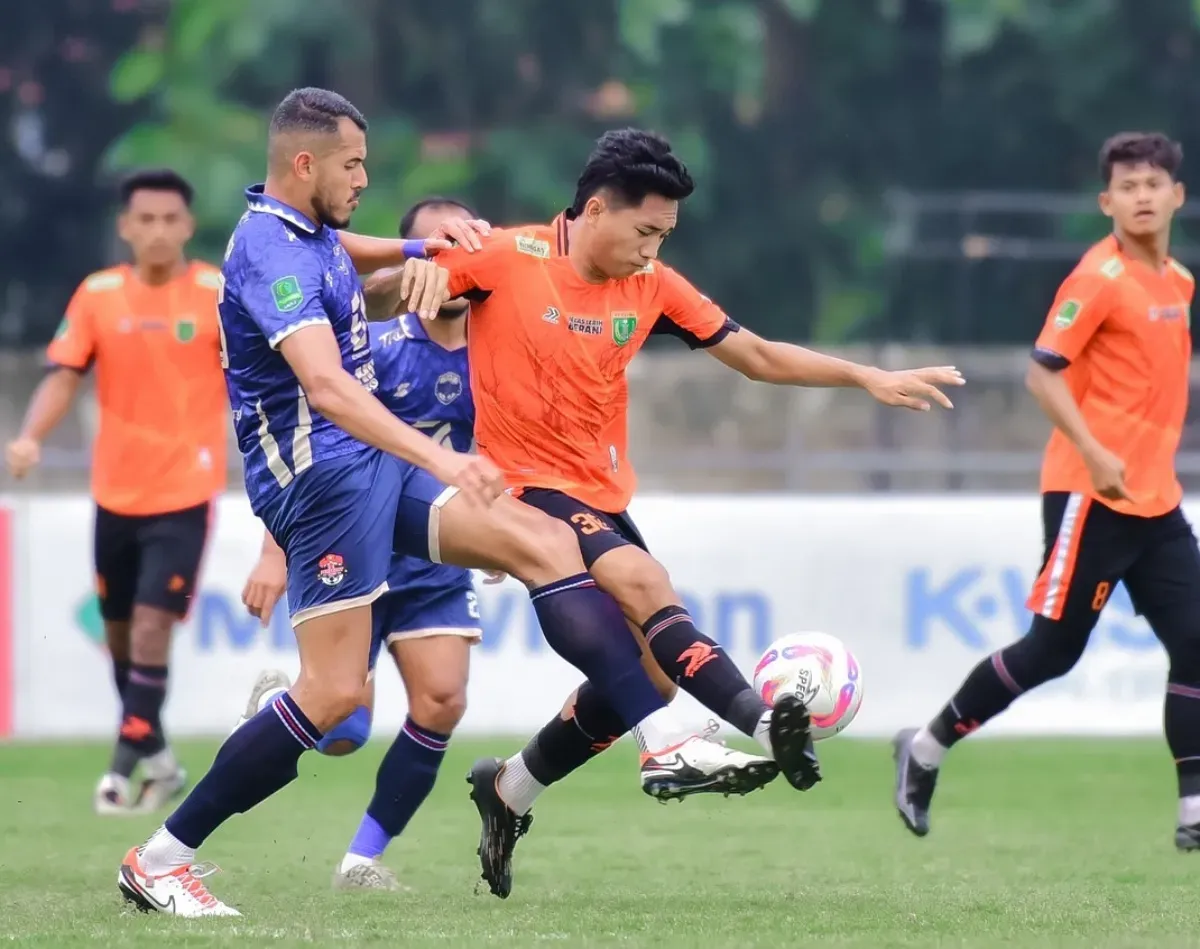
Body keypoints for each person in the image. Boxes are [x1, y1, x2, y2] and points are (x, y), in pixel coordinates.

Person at [116, 88, 767, 918]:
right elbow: (324, 385)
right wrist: (440, 457)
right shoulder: (270, 253)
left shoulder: (301, 231)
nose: (364, 176)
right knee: (332, 698)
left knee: (544, 543)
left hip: (367, 466)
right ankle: (162, 857)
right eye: (352, 163)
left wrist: (424, 241)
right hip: (324, 480)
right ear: (304, 163)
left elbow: (343, 247)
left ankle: (664, 736)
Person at [404, 127, 965, 898]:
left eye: (665, 236)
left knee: (650, 677)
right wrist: (419, 274)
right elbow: (383, 289)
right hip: (517, 485)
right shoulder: (505, 256)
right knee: (642, 578)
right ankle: (753, 722)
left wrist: (866, 376)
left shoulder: (654, 285)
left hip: (596, 492)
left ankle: (510, 790)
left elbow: (757, 355)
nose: (651, 250)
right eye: (643, 232)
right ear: (595, 209)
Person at [892, 131, 1200, 852]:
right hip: (1089, 495)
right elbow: (1042, 371)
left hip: (1153, 499)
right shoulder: (1098, 278)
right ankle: (926, 747)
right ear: (1106, 202)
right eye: (1127, 187)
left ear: (1178, 195)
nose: (1143, 196)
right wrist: (1094, 453)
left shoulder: (1178, 283)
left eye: (1154, 183)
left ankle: (1194, 806)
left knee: (1198, 639)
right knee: (1051, 651)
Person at [236, 196, 487, 892]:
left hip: (438, 558)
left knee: (442, 699)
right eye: (433, 248)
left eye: (462, 246)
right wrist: (273, 552)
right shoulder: (373, 353)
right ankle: (284, 706)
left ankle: (361, 861)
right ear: (409, 264)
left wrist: (500, 527)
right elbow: (318, 453)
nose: (448, 262)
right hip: (362, 543)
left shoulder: (499, 358)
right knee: (342, 727)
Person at [5, 168, 224, 816]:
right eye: (145, 219)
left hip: (185, 491)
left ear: (187, 226)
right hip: (115, 495)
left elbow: (251, 378)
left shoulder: (215, 293)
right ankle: (160, 760)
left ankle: (119, 771)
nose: (158, 231)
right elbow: (62, 374)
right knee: (124, 642)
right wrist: (28, 436)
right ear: (126, 227)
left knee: (154, 629)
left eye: (170, 220)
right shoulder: (98, 295)